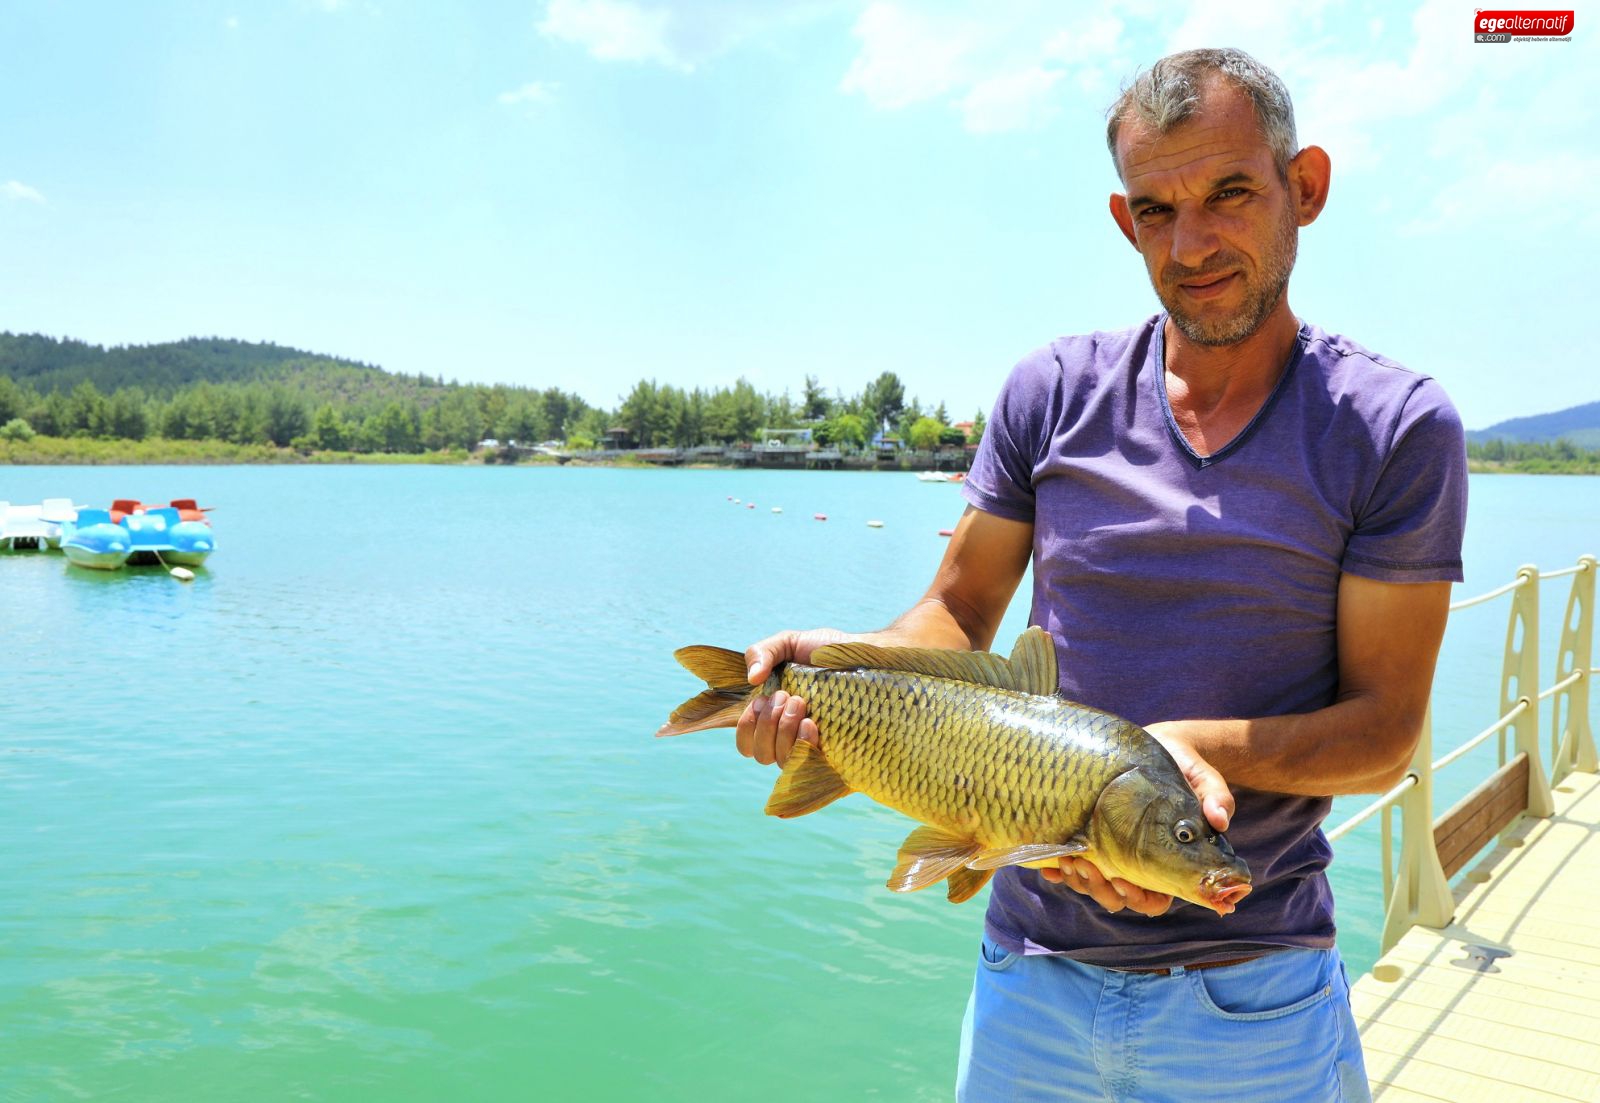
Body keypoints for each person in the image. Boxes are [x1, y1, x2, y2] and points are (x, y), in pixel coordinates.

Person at [735, 47, 1466, 1103]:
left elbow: (1383, 729)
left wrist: (1171, 758)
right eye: (1155, 210)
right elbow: (956, 612)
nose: (1193, 241)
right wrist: (827, 668)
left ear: (1303, 188)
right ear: (1124, 223)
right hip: (1026, 978)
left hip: (1250, 992)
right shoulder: (1052, 390)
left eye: (1228, 194)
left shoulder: (1393, 427)